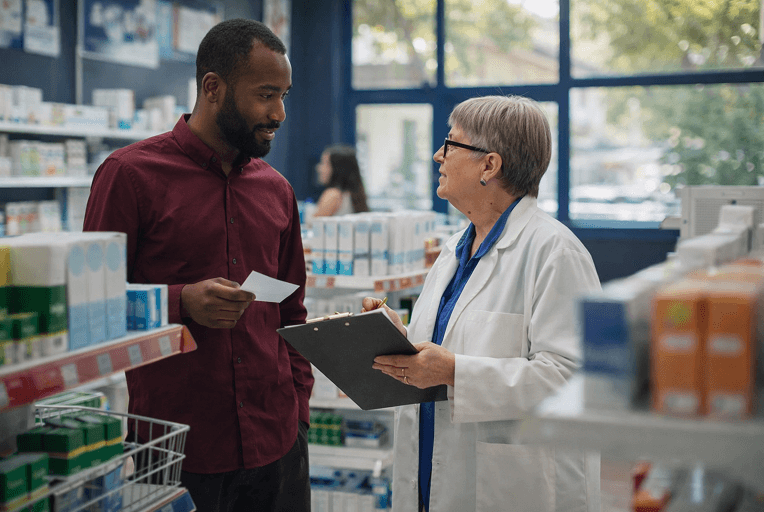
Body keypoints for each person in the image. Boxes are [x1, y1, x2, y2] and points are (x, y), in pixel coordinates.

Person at [83, 19, 313, 512]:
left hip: (277, 444)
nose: (279, 112)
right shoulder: (129, 176)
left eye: (284, 95)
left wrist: (299, 414)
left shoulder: (277, 190)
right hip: (178, 449)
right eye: (266, 95)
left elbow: (292, 312)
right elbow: (90, 307)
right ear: (213, 87)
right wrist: (179, 301)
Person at [366, 95, 602, 512]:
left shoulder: (555, 252)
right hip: (431, 472)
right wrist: (396, 341)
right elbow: (452, 342)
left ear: (489, 165)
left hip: (512, 487)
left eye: (451, 143)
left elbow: (578, 380)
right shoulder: (455, 250)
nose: (438, 155)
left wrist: (455, 370)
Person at [313, 144, 369, 217]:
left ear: (338, 169)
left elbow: (315, 224)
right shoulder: (355, 194)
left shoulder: (332, 195)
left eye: (325, 163)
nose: (319, 168)